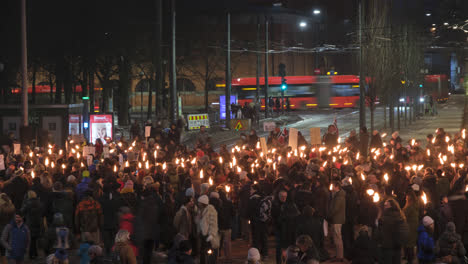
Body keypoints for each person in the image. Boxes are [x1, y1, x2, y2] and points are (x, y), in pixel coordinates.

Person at [379, 198, 407, 264]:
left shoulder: (385, 218)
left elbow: (381, 232)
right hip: (397, 246)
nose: (384, 206)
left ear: (391, 206)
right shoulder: (400, 216)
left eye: (386, 205)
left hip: (387, 246)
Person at [197, 195, 219, 264]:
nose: (198, 204)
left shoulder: (211, 210)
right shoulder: (200, 211)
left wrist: (211, 234)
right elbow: (198, 222)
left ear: (202, 203)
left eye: (199, 202)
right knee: (203, 252)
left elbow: (213, 223)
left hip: (209, 236)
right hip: (202, 235)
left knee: (211, 252)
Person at [328, 181, 346, 262]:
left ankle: (339, 256)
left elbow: (335, 208)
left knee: (337, 238)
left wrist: (329, 215)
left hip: (337, 220)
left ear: (337, 187)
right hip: (336, 219)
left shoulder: (339, 197)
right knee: (336, 238)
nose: (332, 188)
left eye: (333, 186)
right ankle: (338, 254)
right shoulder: (338, 195)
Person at [403, 191, 419, 264]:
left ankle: (410, 260)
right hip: (413, 227)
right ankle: (409, 258)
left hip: (410, 227)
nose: (406, 198)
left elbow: (403, 215)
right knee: (410, 244)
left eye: (407, 197)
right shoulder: (415, 205)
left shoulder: (410, 207)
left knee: (409, 244)